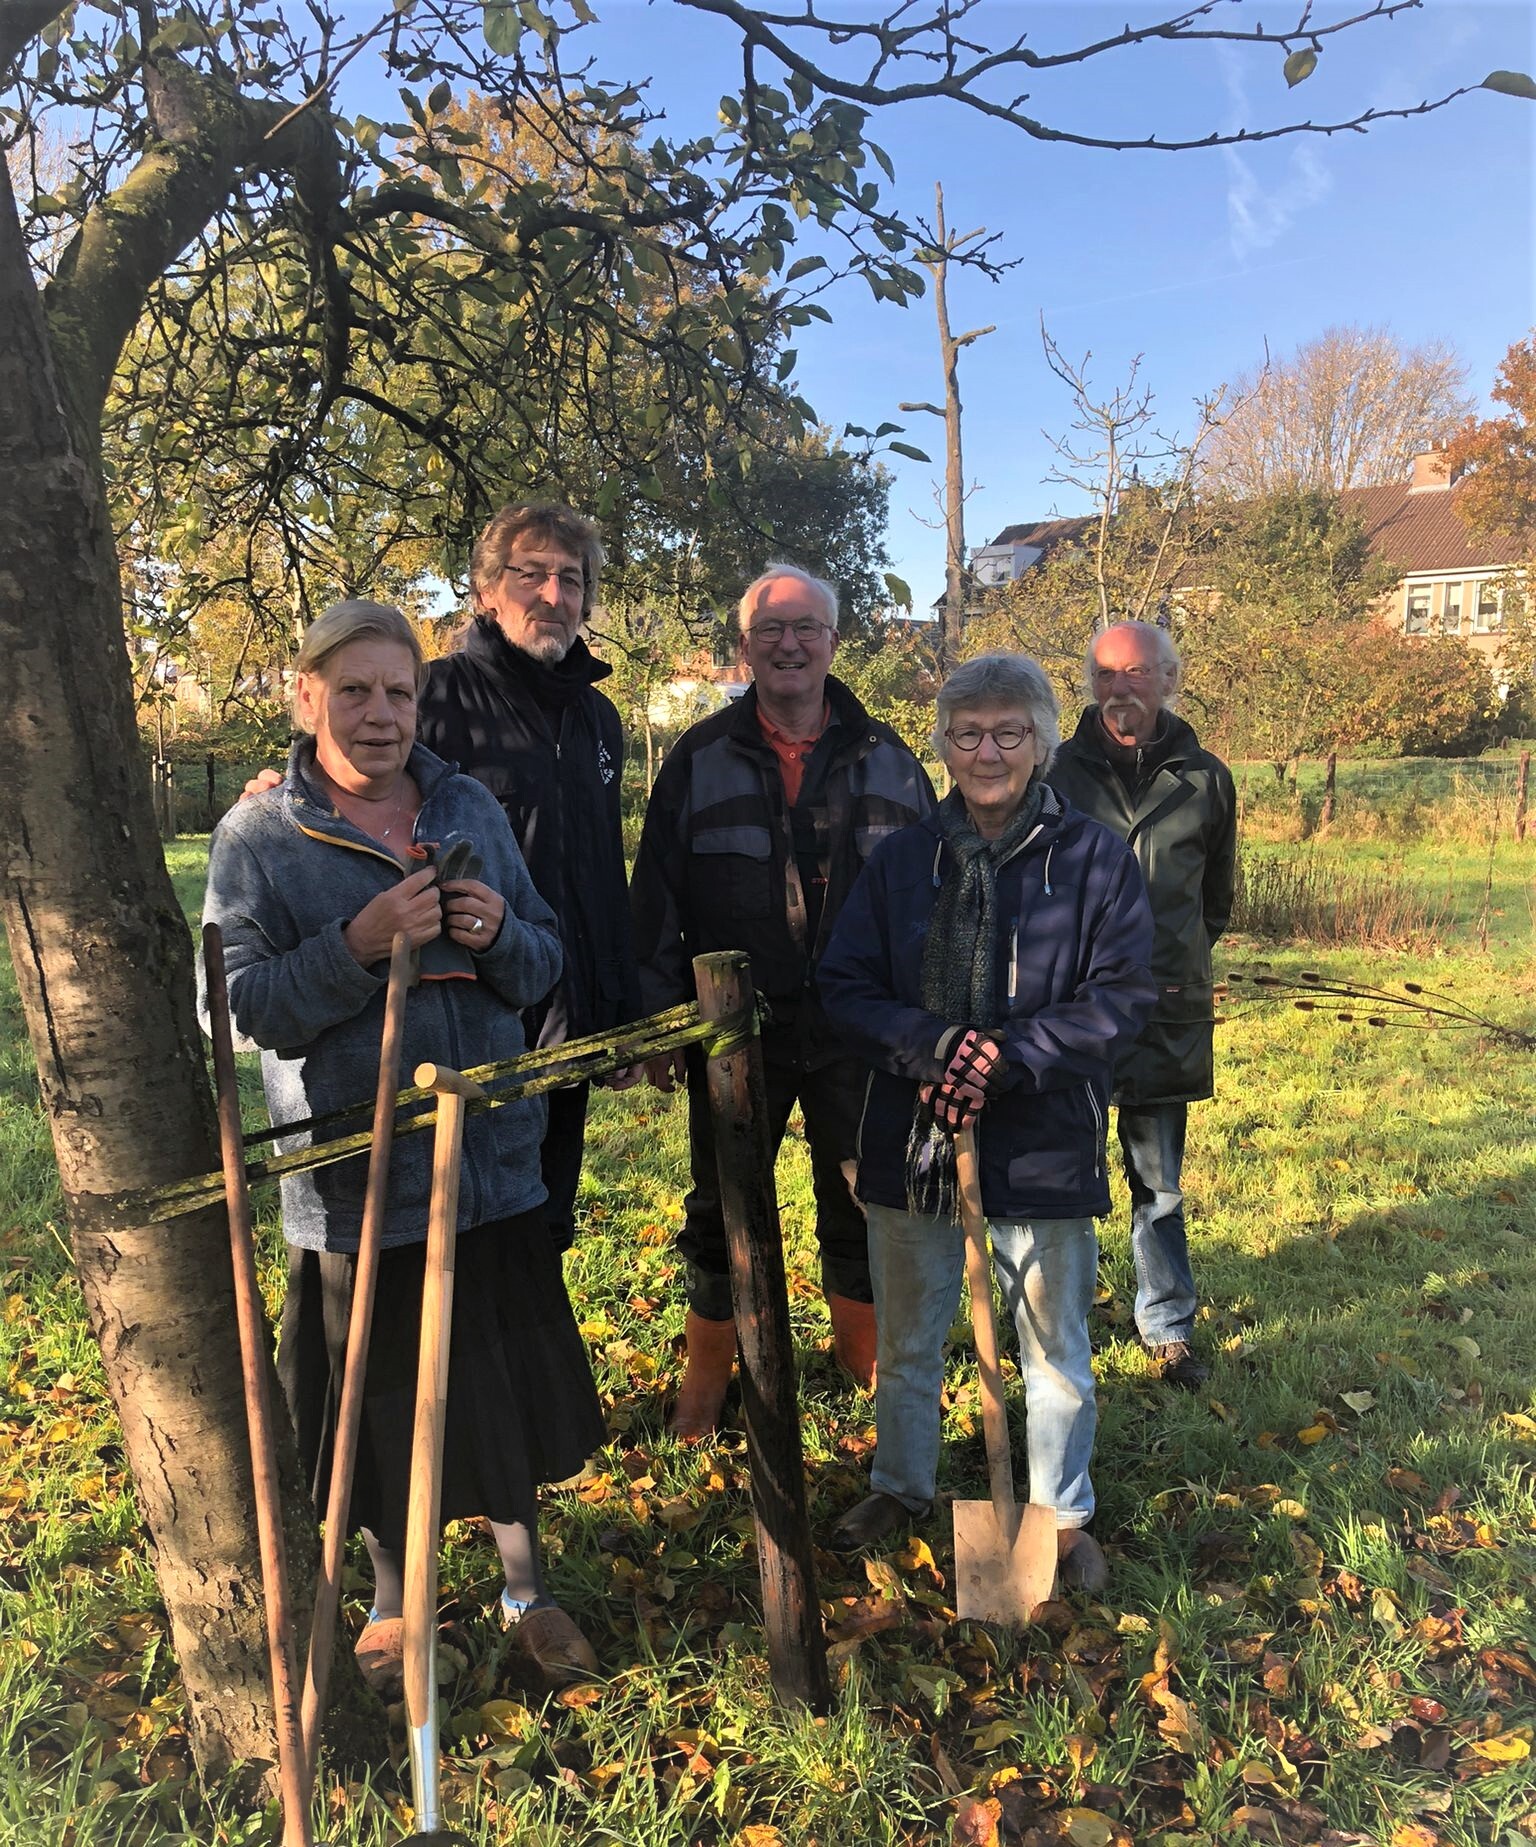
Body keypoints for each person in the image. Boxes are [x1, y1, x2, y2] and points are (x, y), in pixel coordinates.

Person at [205, 600, 605, 1691]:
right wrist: (356, 944)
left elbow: (544, 959)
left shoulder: (464, 801)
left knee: (502, 1380)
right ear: (307, 695)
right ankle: (394, 1602)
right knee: (380, 1405)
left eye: (399, 692)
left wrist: (495, 934)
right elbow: (240, 1008)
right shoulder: (261, 838)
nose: (380, 714)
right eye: (355, 690)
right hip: (356, 1181)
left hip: (489, 1163)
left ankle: (527, 1587)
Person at [817, 653, 1155, 1581]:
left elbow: (1121, 994)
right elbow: (843, 986)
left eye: (1009, 732)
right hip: (914, 1139)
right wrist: (933, 1046)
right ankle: (902, 1481)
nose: (988, 751)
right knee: (912, 1332)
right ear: (946, 746)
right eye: (967, 734)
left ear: (1042, 741)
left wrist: (1009, 1056)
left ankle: (1061, 1513)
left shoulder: (1093, 860)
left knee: (1052, 1348)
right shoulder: (902, 862)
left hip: (1044, 1138)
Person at [245, 500, 640, 1250]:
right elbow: (349, 765)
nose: (554, 596)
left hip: (559, 1006)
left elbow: (599, 878)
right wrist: (280, 791)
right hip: (461, 1023)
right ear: (487, 589)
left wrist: (613, 1015)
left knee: (540, 1223)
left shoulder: (599, 719)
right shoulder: (439, 695)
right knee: (446, 1229)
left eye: (572, 578)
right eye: (532, 575)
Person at [630, 565, 935, 1436]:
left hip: (858, 1031)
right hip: (733, 1033)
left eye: (806, 628)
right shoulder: (698, 759)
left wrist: (920, 1031)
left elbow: (927, 905)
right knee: (723, 1203)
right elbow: (657, 897)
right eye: (771, 630)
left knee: (865, 1192)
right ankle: (709, 1379)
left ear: (835, 643)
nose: (789, 644)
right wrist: (659, 1023)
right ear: (746, 647)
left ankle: (863, 1356)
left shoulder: (890, 760)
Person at [1045, 621, 1237, 1388]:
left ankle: (1167, 1325)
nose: (1119, 690)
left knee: (1157, 1183)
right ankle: (1063, 1322)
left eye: (1135, 675)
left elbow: (1213, 901)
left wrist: (1170, 963)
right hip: (1073, 1008)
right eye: (1105, 675)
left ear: (1168, 680)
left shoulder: (1207, 779)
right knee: (1064, 1175)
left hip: (1164, 1008)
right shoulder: (1056, 772)